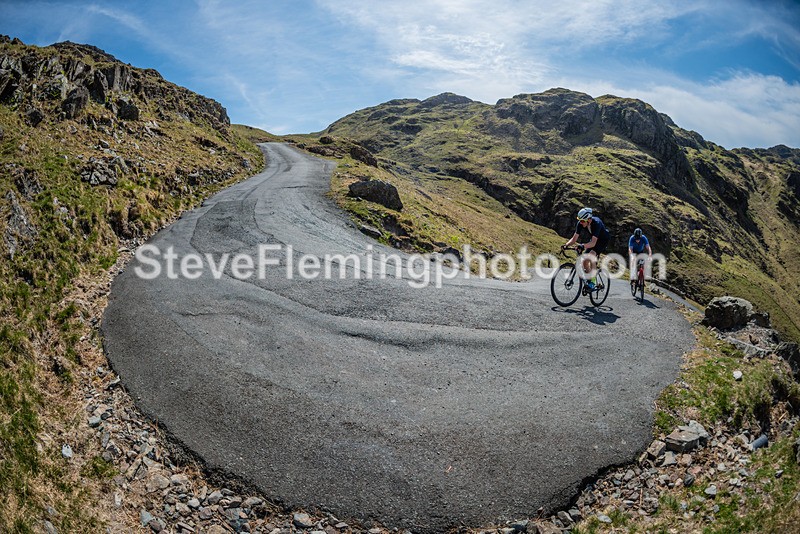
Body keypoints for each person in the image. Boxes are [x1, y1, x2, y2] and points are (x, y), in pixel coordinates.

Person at [562, 207, 610, 289]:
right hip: (593, 240)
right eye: (579, 220)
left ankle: (593, 281)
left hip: (602, 241)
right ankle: (589, 277)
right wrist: (566, 245)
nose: (581, 223)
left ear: (589, 219)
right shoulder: (580, 223)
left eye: (583, 221)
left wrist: (582, 246)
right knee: (584, 261)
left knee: (591, 256)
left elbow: (594, 243)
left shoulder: (597, 223)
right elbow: (574, 239)